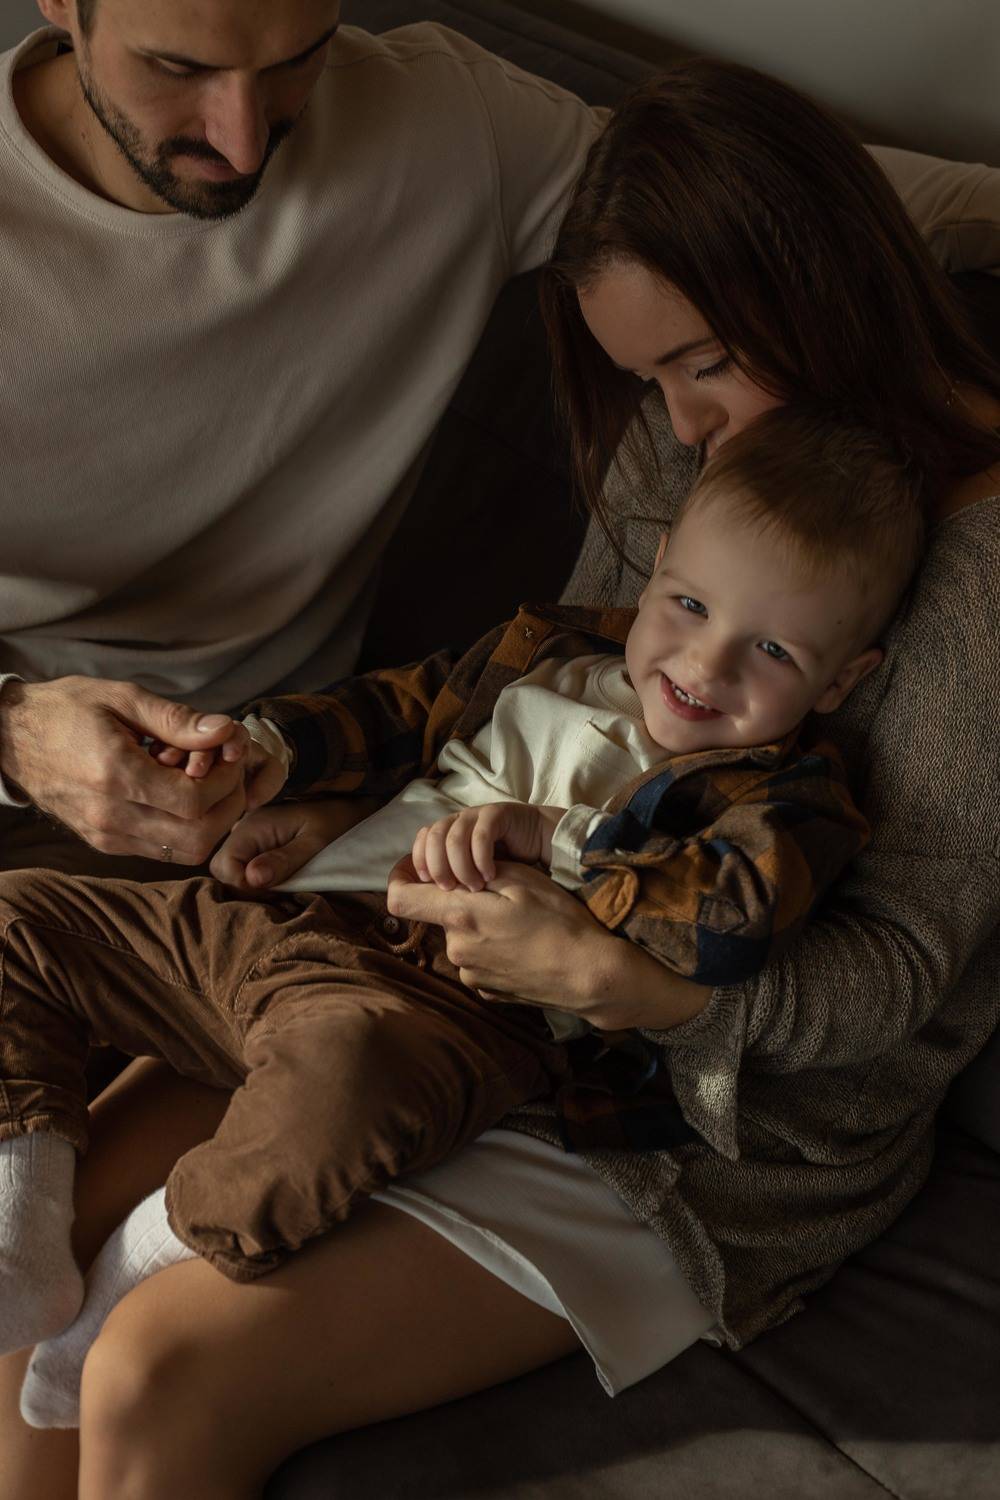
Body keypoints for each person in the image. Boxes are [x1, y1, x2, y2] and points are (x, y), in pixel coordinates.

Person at [2, 50, 1000, 1500]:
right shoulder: (700, 449)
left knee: (156, 1367)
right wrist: (340, 809)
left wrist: (637, 988)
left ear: (817, 284)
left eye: (701, 363)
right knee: (39, 1249)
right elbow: (551, 706)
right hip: (424, 967)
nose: (680, 426)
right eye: (647, 379)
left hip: (692, 1121)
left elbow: (900, 973)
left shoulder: (981, 584)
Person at [0, 409, 921, 1402]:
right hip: (289, 922)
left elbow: (728, 919)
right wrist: (266, 749)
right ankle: (18, 1239)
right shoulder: (551, 648)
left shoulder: (786, 799)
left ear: (843, 679)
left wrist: (552, 837)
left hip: (428, 1007)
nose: (705, 667)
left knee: (334, 1091)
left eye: (772, 651)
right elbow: (399, 708)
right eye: (690, 605)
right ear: (655, 568)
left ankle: (134, 1272)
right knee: (17, 917)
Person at [0, 0, 997, 881]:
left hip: (292, 765)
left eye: (295, 60)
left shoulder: (450, 122)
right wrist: (16, 738)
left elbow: (782, 214)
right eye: (178, 67)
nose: (246, 140)